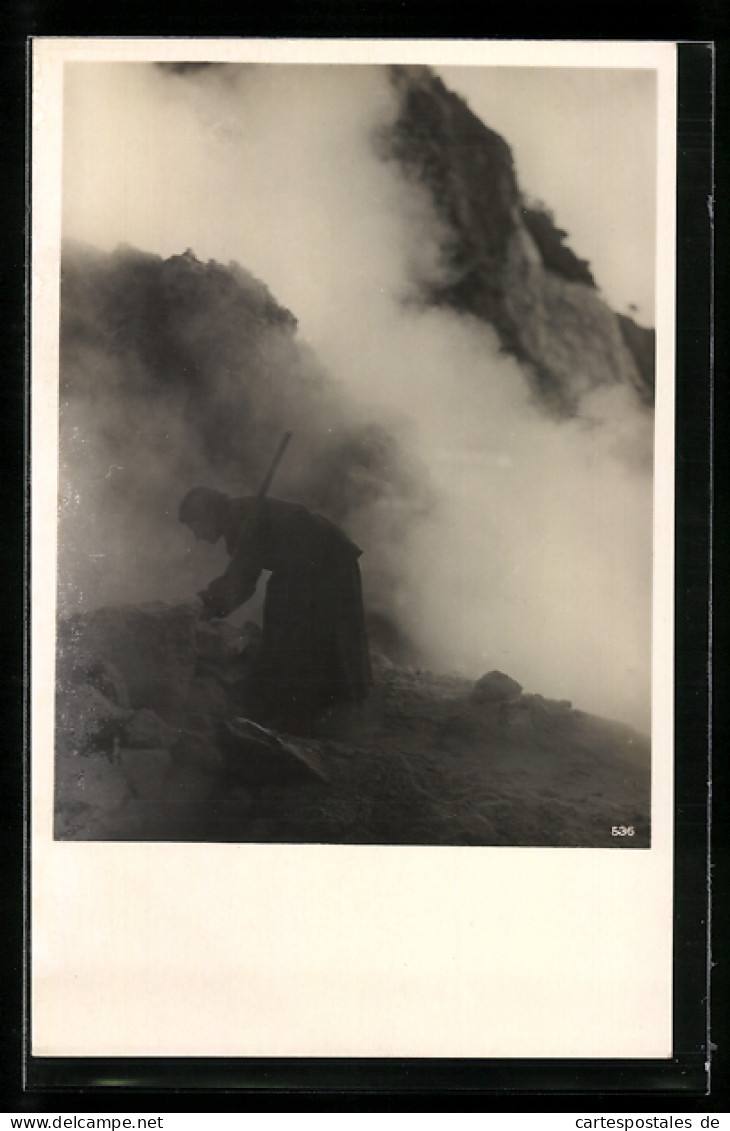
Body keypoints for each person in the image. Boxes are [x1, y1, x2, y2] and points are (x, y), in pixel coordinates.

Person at [179, 486, 372, 735]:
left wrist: (203, 605)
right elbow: (243, 579)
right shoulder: (238, 516)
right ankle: (313, 708)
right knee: (296, 623)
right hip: (316, 559)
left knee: (303, 630)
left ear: (206, 515)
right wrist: (211, 604)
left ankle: (315, 713)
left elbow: (242, 579)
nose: (197, 536)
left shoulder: (240, 518)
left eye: (195, 526)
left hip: (322, 561)